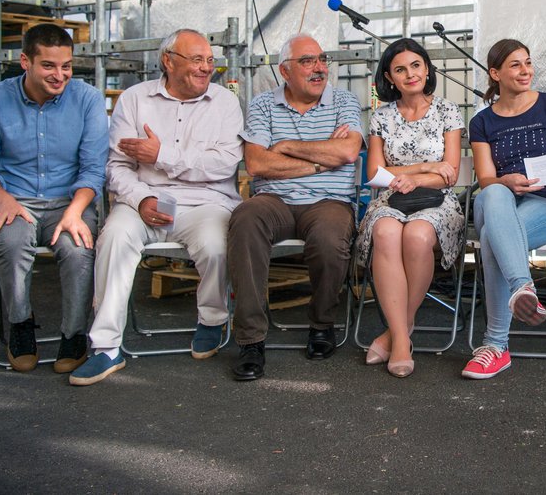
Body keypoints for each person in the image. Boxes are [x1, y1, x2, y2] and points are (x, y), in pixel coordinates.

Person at [69, 29, 243, 386]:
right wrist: (142, 199)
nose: (206, 68)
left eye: (210, 61)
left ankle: (212, 319)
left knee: (216, 245)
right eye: (197, 60)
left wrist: (161, 155)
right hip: (143, 200)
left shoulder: (224, 102)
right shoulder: (134, 99)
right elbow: (117, 166)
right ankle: (105, 348)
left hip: (205, 202)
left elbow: (224, 165)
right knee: (114, 238)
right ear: (168, 61)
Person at [0, 23, 108, 373]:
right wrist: (3, 200)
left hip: (69, 201)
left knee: (79, 249)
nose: (59, 75)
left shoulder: (87, 99)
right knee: (11, 243)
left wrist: (76, 211)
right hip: (13, 200)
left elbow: (93, 170)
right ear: (25, 61)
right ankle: (20, 326)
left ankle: (74, 334)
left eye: (66, 66)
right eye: (48, 65)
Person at [226, 34, 363, 381]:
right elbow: (256, 163)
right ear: (285, 70)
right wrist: (319, 160)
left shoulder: (345, 100)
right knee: (245, 218)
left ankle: (322, 324)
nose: (319, 68)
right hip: (274, 200)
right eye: (308, 61)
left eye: (322, 60)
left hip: (329, 201)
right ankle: (251, 340)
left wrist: (286, 145)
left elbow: (347, 153)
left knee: (331, 238)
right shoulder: (261, 105)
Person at [461, 38, 546, 380]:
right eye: (516, 65)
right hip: (503, 200)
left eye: (528, 63)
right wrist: (507, 181)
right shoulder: (482, 122)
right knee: (491, 196)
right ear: (495, 73)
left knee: (491, 237)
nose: (526, 71)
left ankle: (495, 345)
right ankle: (522, 287)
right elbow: (487, 178)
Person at [356, 38, 465, 378]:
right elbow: (374, 173)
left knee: (417, 236)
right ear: (389, 78)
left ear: (427, 68)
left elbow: (450, 173)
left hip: (437, 201)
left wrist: (417, 177)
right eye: (400, 69)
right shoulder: (381, 117)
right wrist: (422, 169)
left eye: (416, 65)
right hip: (390, 198)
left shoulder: (448, 110)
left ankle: (394, 333)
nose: (410, 74)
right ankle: (403, 339)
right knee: (386, 232)